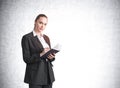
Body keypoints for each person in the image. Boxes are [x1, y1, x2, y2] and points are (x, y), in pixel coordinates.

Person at [21, 14, 55, 88]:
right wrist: (40, 54)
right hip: (35, 75)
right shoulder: (27, 38)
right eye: (40, 23)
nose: (43, 26)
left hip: (48, 75)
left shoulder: (46, 38)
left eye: (45, 24)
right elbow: (26, 59)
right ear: (35, 22)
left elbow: (49, 58)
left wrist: (51, 57)